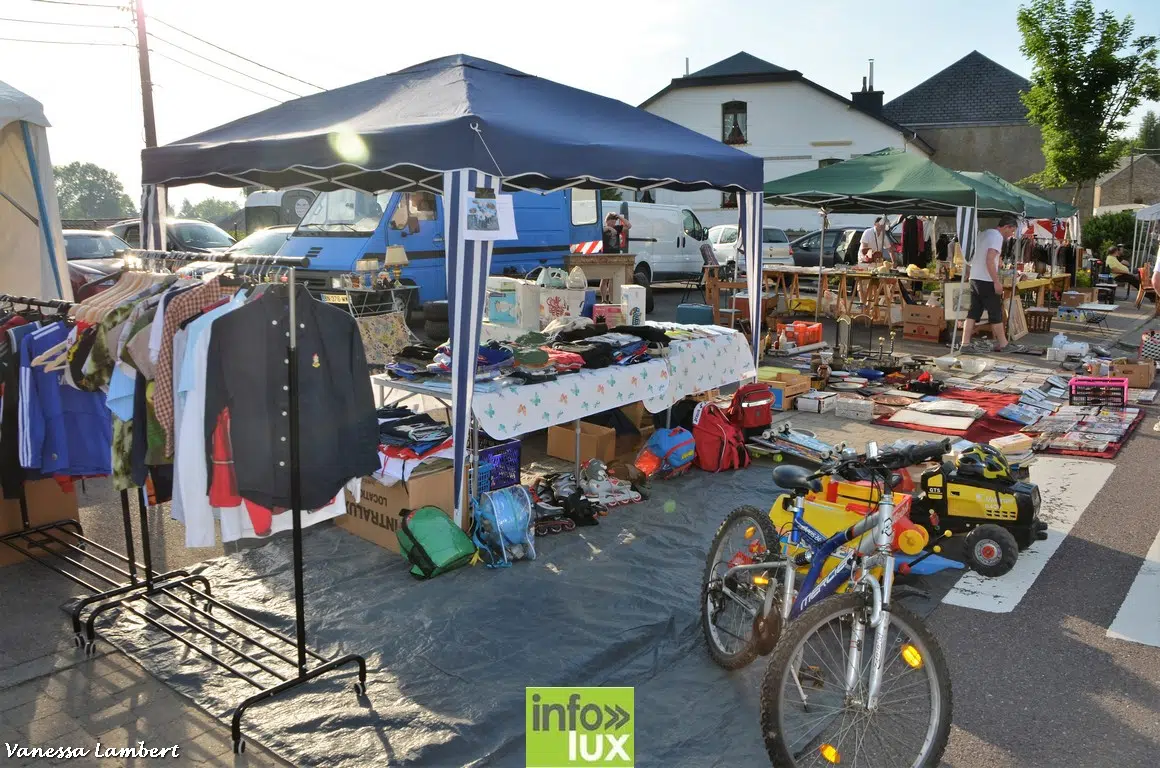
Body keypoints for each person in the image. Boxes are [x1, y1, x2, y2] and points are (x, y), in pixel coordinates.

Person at [959, 214, 1019, 353]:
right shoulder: (997, 237)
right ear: (1006, 227)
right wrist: (996, 281)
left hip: (975, 278)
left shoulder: (983, 234)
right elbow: (989, 259)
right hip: (986, 280)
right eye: (1011, 231)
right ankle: (1003, 344)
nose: (1011, 235)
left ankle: (965, 343)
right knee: (995, 312)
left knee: (973, 312)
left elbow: (971, 255)